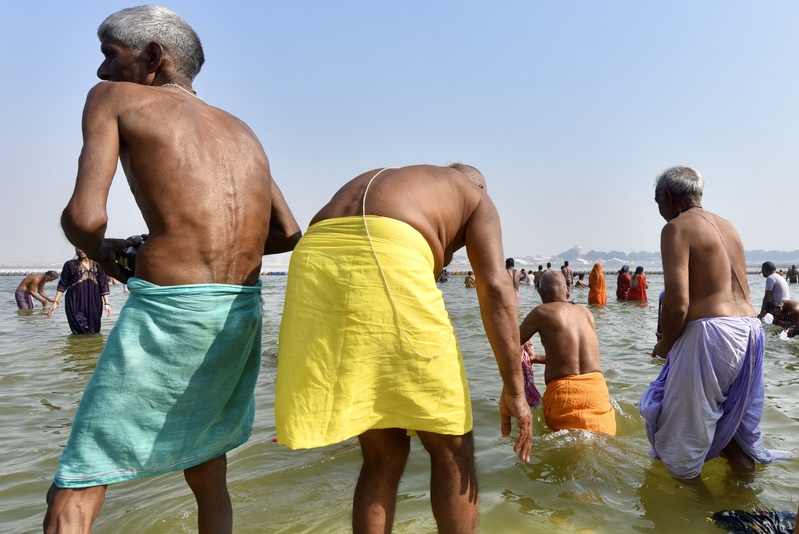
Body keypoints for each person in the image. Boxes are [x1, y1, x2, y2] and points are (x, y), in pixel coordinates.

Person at [43, 6, 302, 534]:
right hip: (239, 312)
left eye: (109, 56)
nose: (101, 73)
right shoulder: (241, 128)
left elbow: (84, 216)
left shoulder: (113, 99)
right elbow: (287, 234)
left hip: (171, 310)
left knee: (79, 477)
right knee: (208, 465)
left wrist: (115, 254)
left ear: (154, 57)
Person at [274, 164, 532, 533]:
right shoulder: (476, 197)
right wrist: (515, 390)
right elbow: (495, 289)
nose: (457, 247)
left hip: (315, 258)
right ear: (475, 186)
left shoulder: (405, 182)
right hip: (387, 249)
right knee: (451, 448)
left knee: (381, 455)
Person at [640, 166, 789, 480]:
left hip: (713, 334)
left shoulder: (676, 228)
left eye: (657, 203)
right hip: (750, 332)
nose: (660, 212)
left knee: (681, 441)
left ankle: (698, 516)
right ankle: (745, 501)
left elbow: (678, 302)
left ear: (668, 197)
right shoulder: (728, 226)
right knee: (732, 428)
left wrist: (666, 344)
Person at [519, 270, 616, 434]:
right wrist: (536, 358)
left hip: (564, 397)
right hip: (597, 393)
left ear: (541, 293)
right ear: (568, 291)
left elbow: (511, 343)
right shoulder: (586, 313)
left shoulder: (541, 312)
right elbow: (574, 359)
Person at [47, 249, 111, 334]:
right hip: (74, 301)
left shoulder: (98, 265)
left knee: (94, 330)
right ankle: (77, 346)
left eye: (83, 246)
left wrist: (107, 303)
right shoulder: (70, 264)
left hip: (94, 302)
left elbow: (103, 285)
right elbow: (62, 284)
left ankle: (94, 347)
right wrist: (55, 302)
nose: (80, 250)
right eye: (78, 247)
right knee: (78, 329)